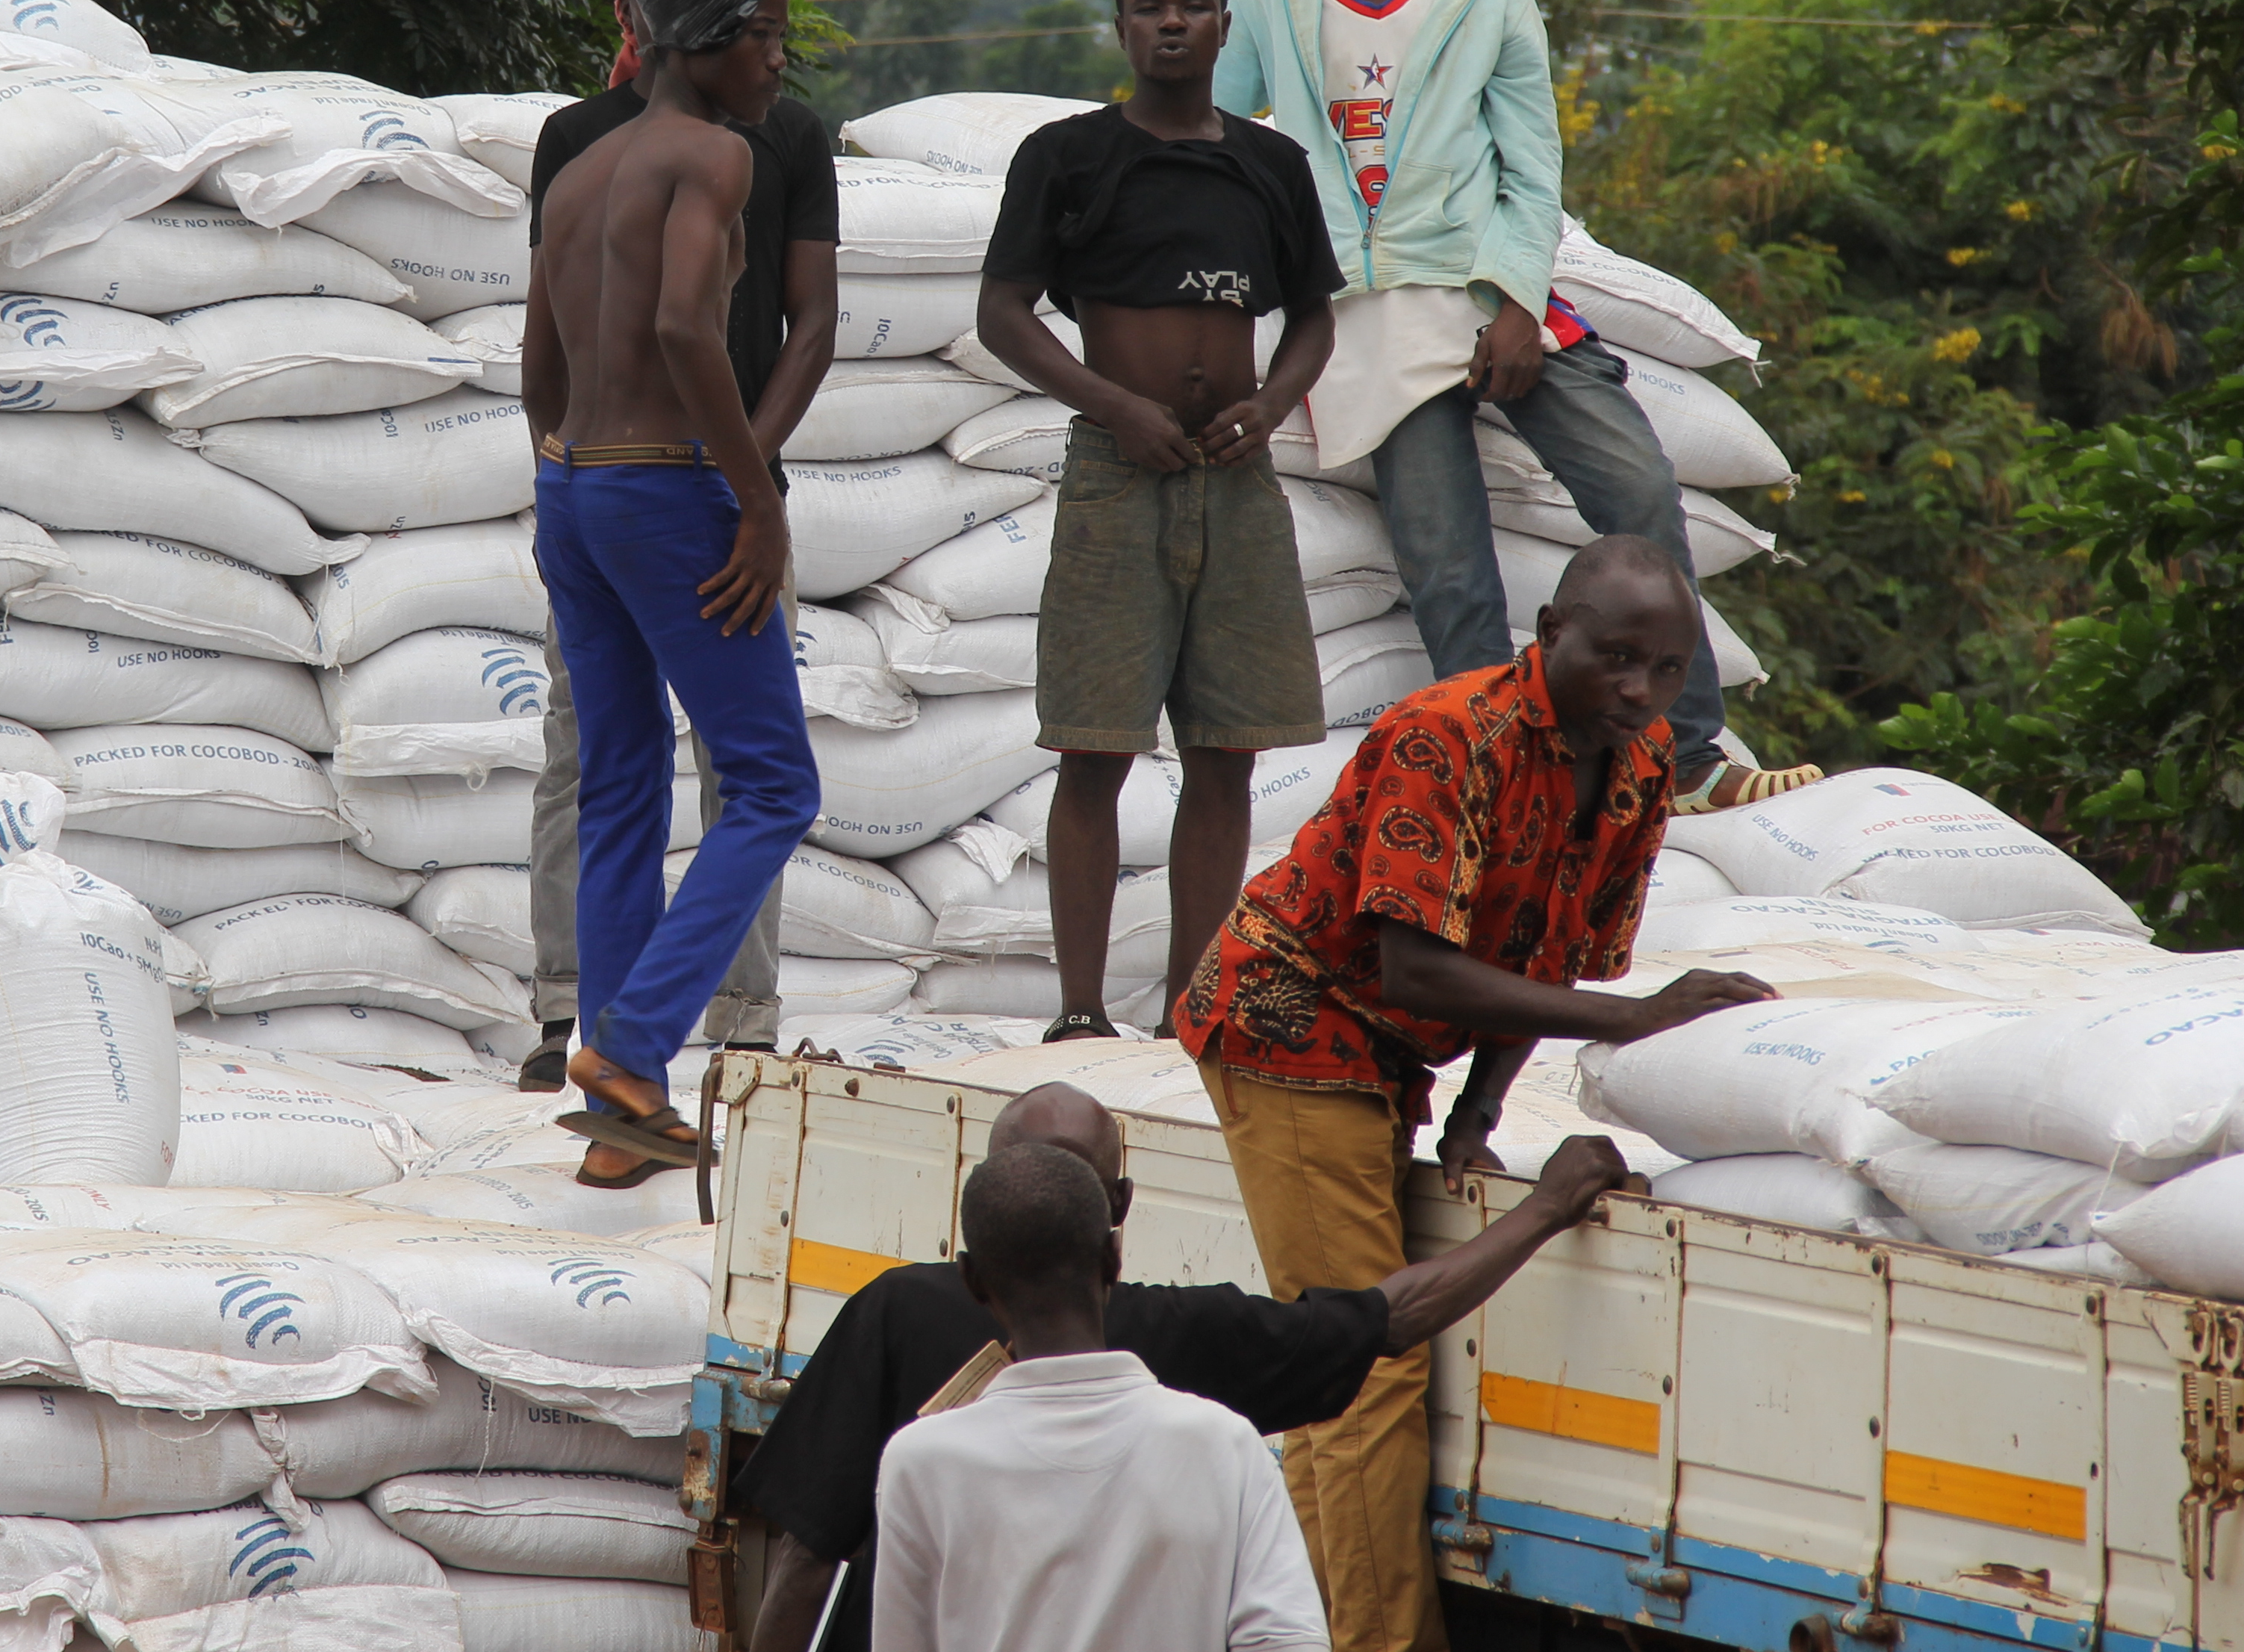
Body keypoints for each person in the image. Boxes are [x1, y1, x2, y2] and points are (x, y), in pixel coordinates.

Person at [1184, 536, 1781, 1652]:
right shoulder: (1447, 737)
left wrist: (1475, 1116)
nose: (1640, 691)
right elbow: (1418, 966)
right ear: (1550, 631)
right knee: (1365, 1366)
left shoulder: (1641, 762)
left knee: (1337, 1390)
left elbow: (1552, 956)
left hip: (1394, 1054)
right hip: (1293, 1017)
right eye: (1614, 658)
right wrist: (1642, 1018)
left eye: (1664, 668)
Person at [1212, 0, 1818, 815]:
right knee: (1448, 573)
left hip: (1491, 291)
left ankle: (1687, 760)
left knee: (1637, 491)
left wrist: (1518, 307)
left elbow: (1534, 173)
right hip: (1366, 319)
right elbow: (1217, 126)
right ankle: (1500, 783)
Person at [739, 1078, 1635, 1652]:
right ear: (1116, 1223)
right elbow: (1393, 1316)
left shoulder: (903, 1344)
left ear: (977, 1244)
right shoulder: (1210, 1397)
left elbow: (806, 1559)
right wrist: (1544, 1208)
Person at [979, 0, 1342, 1043]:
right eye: (1151, 6)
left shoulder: (1269, 165)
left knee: (1225, 752)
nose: (1173, 21)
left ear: (1225, 25)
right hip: (1116, 476)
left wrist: (1269, 409)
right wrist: (1117, 407)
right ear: (1122, 25)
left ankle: (1196, 999)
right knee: (1093, 748)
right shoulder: (1069, 157)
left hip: (1235, 480)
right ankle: (1082, 1009)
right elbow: (1003, 316)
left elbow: (1316, 319)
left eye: (1193, 4)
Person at [522, 0, 822, 1188]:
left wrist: (576, 463)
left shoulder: (582, 169)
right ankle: (635, 1046)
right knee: (770, 786)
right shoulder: (709, 156)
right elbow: (690, 333)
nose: (777, 65)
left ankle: (613, 1111)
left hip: (573, 494)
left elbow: (536, 366)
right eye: (767, 37)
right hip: (665, 495)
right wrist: (749, 501)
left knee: (619, 788)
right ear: (705, 40)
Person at [866, 1140, 1331, 1652]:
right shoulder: (1225, 1445)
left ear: (972, 1280)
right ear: (1113, 1258)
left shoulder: (921, 1462)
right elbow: (1288, 1640)